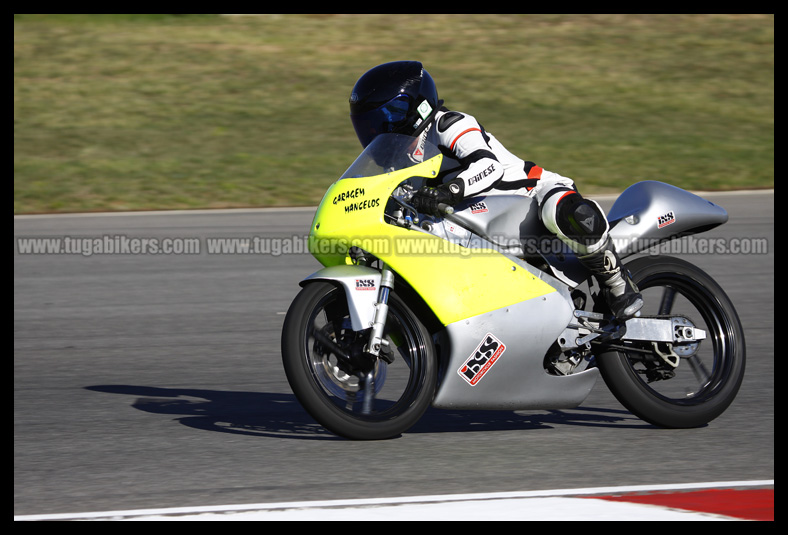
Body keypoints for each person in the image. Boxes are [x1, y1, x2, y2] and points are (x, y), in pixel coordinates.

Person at [348, 61, 642, 320]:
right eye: (369, 123)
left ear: (417, 105)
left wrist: (450, 190)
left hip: (533, 196)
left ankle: (615, 281)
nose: (378, 129)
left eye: (388, 114)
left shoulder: (449, 124)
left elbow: (489, 166)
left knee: (562, 211)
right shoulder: (399, 161)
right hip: (478, 222)